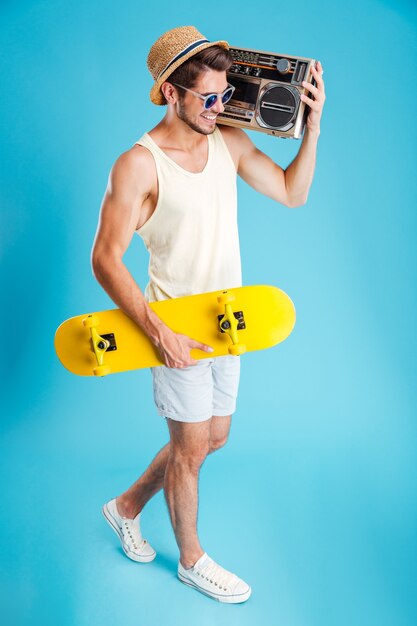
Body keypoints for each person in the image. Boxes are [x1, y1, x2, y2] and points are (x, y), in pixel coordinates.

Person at [92, 25, 325, 604]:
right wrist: (158, 332)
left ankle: (124, 508)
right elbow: (104, 259)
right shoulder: (139, 165)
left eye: (226, 94)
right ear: (172, 93)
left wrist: (311, 129)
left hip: (230, 319)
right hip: (174, 327)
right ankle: (192, 560)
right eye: (209, 98)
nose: (222, 107)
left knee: (210, 438)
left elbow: (293, 193)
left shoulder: (228, 140)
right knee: (191, 450)